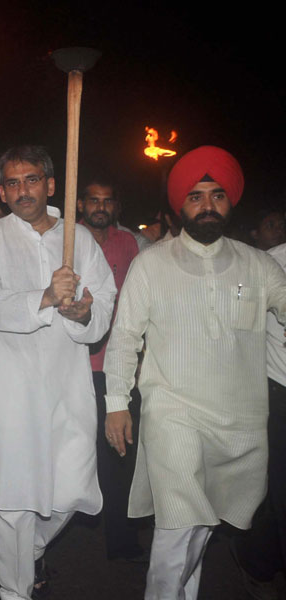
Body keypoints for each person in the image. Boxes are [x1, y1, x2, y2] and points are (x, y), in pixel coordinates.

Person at [104, 146, 286, 600]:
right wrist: (116, 405)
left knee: (203, 526)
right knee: (178, 525)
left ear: (231, 202)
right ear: (179, 205)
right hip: (174, 412)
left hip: (240, 423)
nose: (207, 206)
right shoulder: (151, 264)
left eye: (217, 195)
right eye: (196, 196)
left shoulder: (259, 266)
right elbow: (125, 337)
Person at [0, 145, 116, 600]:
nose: (21, 190)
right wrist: (47, 297)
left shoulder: (79, 238)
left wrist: (84, 314)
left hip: (67, 387)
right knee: (13, 500)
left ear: (50, 185)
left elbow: (105, 299)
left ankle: (26, 549)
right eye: (12, 183)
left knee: (71, 490)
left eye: (31, 180)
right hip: (9, 388)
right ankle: (14, 590)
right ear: (1, 191)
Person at [76, 176, 144, 562]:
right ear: (82, 204)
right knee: (77, 448)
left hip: (117, 366)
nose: (100, 207)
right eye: (93, 200)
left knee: (120, 451)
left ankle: (120, 539)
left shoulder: (129, 244)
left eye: (107, 201)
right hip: (74, 364)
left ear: (116, 206)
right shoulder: (68, 239)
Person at [232, 236, 286, 599]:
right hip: (277, 394)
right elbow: (235, 321)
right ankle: (260, 568)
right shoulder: (270, 263)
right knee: (270, 492)